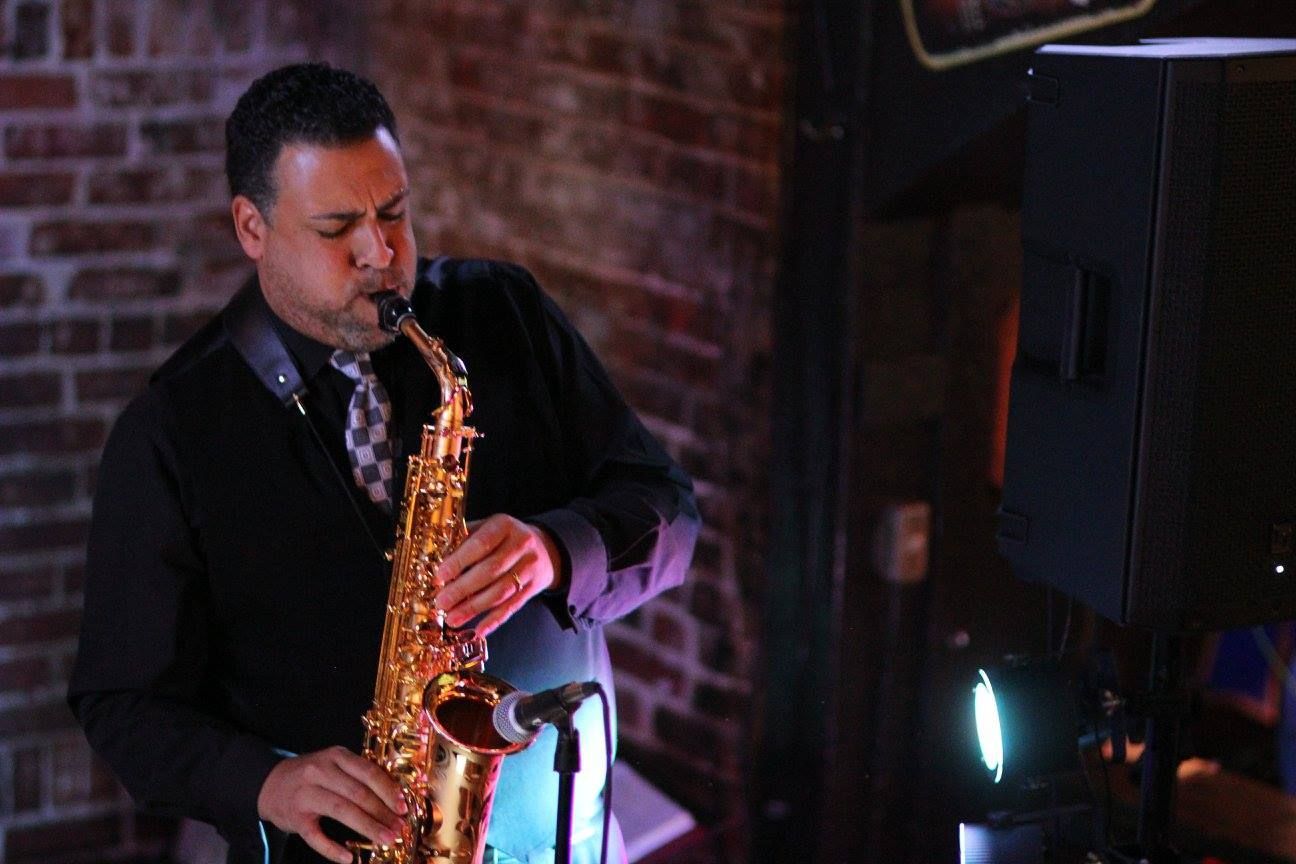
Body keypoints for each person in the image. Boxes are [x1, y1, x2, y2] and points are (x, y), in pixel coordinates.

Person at [68, 63, 699, 864]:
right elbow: (120, 703)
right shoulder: (173, 431)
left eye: (395, 211)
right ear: (251, 228)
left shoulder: (503, 315)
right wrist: (266, 783)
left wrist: (554, 551)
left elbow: (671, 511)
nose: (380, 253)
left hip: (556, 836)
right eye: (337, 229)